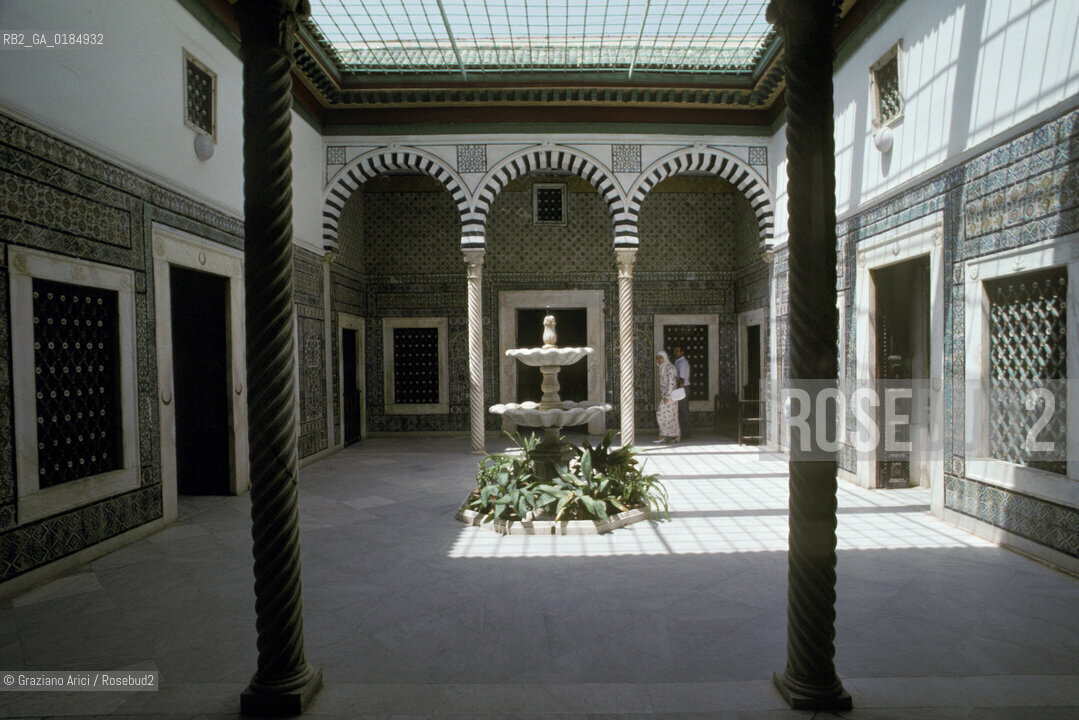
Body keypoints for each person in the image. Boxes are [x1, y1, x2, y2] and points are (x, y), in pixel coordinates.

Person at [655, 350, 681, 443]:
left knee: (660, 414)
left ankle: (662, 435)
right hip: (667, 397)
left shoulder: (670, 367)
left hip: (670, 397)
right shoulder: (663, 367)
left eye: (660, 357)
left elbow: (672, 383)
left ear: (665, 357)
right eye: (657, 358)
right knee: (671, 416)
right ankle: (676, 435)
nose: (658, 359)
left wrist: (667, 396)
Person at [673, 345, 691, 439]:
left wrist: (679, 390)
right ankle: (682, 432)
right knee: (681, 411)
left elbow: (682, 378)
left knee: (683, 411)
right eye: (675, 351)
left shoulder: (683, 363)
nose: (675, 353)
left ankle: (686, 433)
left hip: (683, 388)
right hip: (681, 388)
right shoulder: (678, 362)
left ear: (682, 352)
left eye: (677, 351)